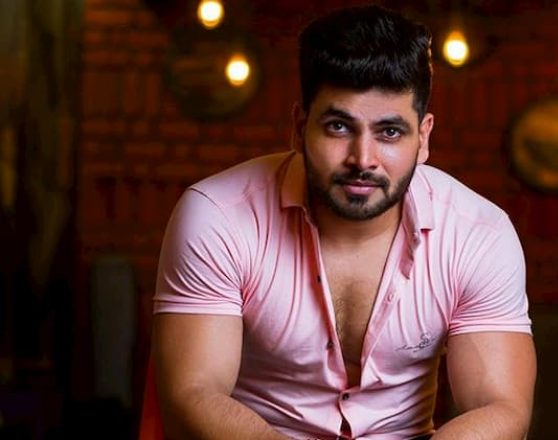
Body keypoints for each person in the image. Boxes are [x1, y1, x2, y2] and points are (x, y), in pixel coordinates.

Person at [151, 4, 536, 439]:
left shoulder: (478, 233)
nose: (363, 159)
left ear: (424, 137)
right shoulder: (219, 216)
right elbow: (194, 394)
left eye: (390, 132)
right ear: (299, 127)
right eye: (338, 126)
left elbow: (499, 407)